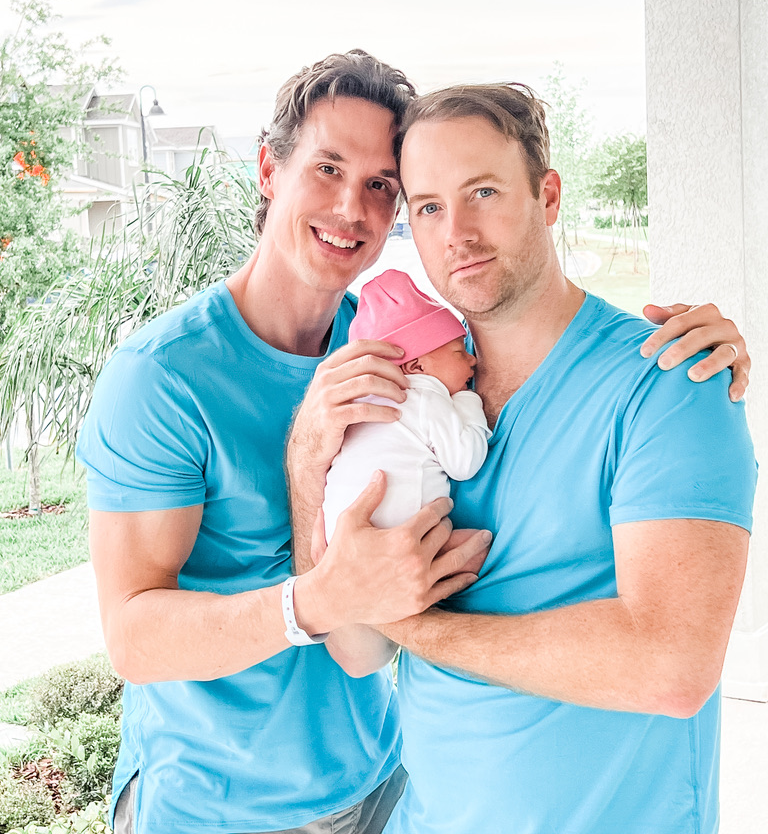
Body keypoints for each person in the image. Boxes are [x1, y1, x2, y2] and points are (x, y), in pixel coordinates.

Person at [79, 50, 750, 834]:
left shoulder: (415, 361)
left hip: (379, 791)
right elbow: (140, 639)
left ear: (548, 194)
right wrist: (312, 524)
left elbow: (669, 664)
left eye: (382, 189)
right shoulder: (166, 377)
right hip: (217, 807)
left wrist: (703, 358)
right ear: (269, 169)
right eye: (329, 168)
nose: (353, 210)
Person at [287, 82, 757, 834]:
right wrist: (309, 457)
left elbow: (671, 669)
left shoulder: (671, 386)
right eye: (430, 207)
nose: (456, 233)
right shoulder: (412, 397)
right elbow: (355, 648)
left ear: (546, 195)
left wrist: (416, 625)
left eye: (483, 192)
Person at [323, 269, 490, 539]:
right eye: (460, 351)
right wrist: (469, 401)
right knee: (479, 545)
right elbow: (464, 463)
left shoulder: (360, 407)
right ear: (417, 366)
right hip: (398, 541)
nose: (473, 360)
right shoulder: (422, 397)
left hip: (341, 540)